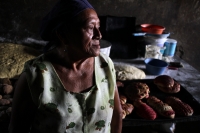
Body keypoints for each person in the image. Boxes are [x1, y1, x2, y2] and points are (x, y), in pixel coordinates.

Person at [8, 0, 123, 133]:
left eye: (98, 26)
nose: (99, 35)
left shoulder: (105, 65)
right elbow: (17, 129)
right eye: (91, 28)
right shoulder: (36, 76)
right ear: (63, 35)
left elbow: (117, 115)